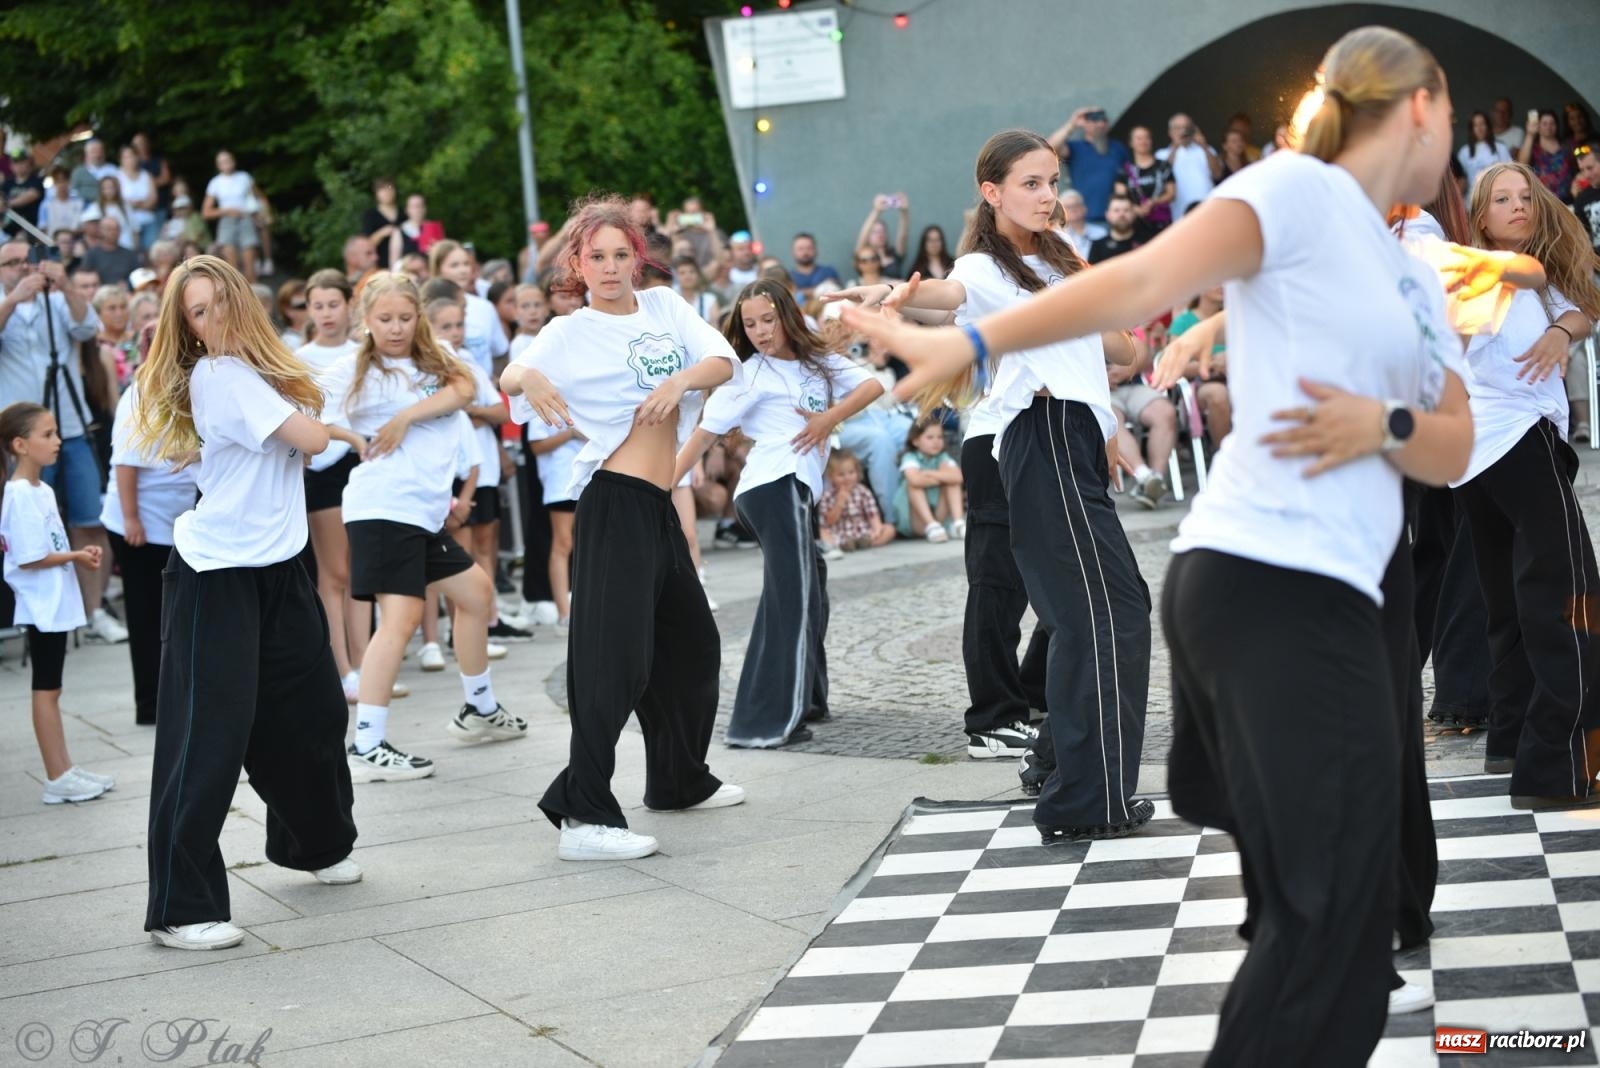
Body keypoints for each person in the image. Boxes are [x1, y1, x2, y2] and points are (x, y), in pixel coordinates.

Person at [843, 27, 1486, 1062]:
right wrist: (963, 341)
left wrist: (1386, 428)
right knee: (1324, 925)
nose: (1457, 141)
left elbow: (1451, 443)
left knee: (1349, 917)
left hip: (1347, 597)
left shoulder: (1410, 268)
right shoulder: (1296, 191)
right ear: (1420, 106)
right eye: (1453, 119)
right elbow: (1140, 282)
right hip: (1265, 582)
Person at [831, 128, 1149, 818]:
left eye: (1053, 181)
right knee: (1103, 614)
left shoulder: (1067, 259)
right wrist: (884, 294)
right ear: (992, 192)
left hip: (1075, 435)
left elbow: (1121, 346)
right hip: (1042, 433)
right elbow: (940, 297)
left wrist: (1081, 346)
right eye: (1031, 183)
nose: (1047, 195)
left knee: (1100, 612)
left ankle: (1062, 770)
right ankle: (1084, 794)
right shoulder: (982, 269)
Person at [501, 192, 746, 863]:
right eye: (595, 256)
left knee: (691, 648)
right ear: (578, 264)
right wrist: (530, 380)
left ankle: (677, 778)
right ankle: (582, 815)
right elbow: (513, 369)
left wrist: (678, 385)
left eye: (620, 255)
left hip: (659, 505)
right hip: (613, 504)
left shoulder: (665, 307)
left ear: (637, 260)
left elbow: (724, 362)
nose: (609, 267)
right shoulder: (569, 330)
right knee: (614, 664)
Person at [133, 255, 360, 952]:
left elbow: (307, 443)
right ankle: (180, 906)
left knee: (313, 713)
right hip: (215, 577)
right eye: (196, 314)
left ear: (241, 304)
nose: (211, 321)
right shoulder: (219, 375)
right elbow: (313, 439)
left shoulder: (258, 373)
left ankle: (314, 844)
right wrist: (333, 428)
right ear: (189, 331)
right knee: (207, 739)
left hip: (278, 568)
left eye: (218, 305)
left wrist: (322, 424)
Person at [321, 272, 526, 783]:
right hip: (383, 507)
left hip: (419, 513)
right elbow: (306, 418)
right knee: (401, 620)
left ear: (419, 318)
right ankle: (366, 743)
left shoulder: (436, 362)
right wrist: (350, 436)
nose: (395, 328)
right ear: (365, 320)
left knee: (477, 595)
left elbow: (465, 390)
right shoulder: (350, 371)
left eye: (405, 318)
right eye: (384, 319)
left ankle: (479, 711)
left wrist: (407, 417)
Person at [675, 280, 882, 748]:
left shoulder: (817, 361)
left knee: (812, 588)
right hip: (774, 485)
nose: (760, 331)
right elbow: (703, 437)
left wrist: (829, 418)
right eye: (750, 324)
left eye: (767, 320)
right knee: (794, 594)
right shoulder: (748, 374)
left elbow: (873, 385)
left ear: (786, 316)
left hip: (795, 488)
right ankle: (765, 721)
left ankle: (807, 698)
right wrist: (659, 484)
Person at [1456, 161, 1600, 808]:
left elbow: (1583, 312)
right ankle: (1558, 768)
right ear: (1479, 215)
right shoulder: (1475, 275)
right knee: (1572, 596)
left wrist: (1558, 330)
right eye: (1501, 199)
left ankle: (1509, 738)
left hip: (1485, 455)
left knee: (1510, 600)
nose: (1518, 206)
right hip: (1514, 442)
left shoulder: (1531, 279)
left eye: (1525, 197)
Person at [0, 241, 126, 645]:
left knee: (90, 522)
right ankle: (39, 620)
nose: (24, 268)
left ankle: (93, 612)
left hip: (68, 427)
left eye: (28, 261)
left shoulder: (56, 303)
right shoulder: (7, 301)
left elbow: (88, 329)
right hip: (22, 437)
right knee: (29, 529)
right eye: (13, 263)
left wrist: (66, 286)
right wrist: (13, 300)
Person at [0, 402, 116, 803]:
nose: (57, 441)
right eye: (46, 434)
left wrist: (75, 555)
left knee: (54, 689)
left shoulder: (42, 490)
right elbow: (28, 556)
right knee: (46, 689)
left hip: (54, 602)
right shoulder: (17, 494)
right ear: (19, 445)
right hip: (40, 605)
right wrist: (77, 557)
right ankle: (56, 777)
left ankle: (64, 767)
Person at [423, 293, 530, 644]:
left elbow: (499, 412)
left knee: (485, 544)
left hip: (480, 467)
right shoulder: (427, 363)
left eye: (459, 325)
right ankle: (454, 632)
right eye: (446, 326)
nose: (454, 333)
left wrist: (468, 412)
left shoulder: (467, 360)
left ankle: (489, 618)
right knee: (458, 550)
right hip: (449, 471)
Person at [103, 348, 197, 726]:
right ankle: (151, 705)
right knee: (145, 617)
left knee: (173, 616)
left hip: (175, 520)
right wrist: (131, 519)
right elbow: (125, 462)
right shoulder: (141, 396)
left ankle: (174, 696)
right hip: (140, 523)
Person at [294, 270, 370, 701]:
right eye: (317, 306)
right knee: (334, 572)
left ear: (349, 306)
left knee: (362, 570)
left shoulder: (365, 353)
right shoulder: (300, 359)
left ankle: (367, 663)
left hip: (362, 466)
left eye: (333, 305)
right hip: (322, 470)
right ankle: (341, 669)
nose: (325, 314)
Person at [429, 240, 508, 375]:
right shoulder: (427, 307)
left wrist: (492, 382)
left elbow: (500, 351)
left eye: (466, 264)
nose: (463, 270)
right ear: (438, 269)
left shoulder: (485, 307)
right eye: (454, 265)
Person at [1047, 106, 1130, 224]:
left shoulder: (1118, 148)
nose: (1100, 124)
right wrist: (1072, 124)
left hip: (1115, 218)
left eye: (1104, 120)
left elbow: (1130, 177)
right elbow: (1050, 148)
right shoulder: (1076, 147)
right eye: (1095, 120)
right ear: (1085, 124)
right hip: (1083, 219)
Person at [893, 415, 964, 542]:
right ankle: (931, 524)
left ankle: (958, 523)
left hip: (939, 516)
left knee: (952, 482)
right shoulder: (910, 457)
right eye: (930, 437)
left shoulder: (942, 458)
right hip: (916, 521)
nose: (936, 442)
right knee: (913, 485)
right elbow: (915, 480)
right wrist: (942, 476)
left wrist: (929, 473)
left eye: (940, 437)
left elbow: (958, 477)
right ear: (915, 441)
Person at [202, 151, 266, 281]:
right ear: (218, 166)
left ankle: (252, 296)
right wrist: (226, 211)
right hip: (227, 222)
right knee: (231, 269)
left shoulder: (244, 177)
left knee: (250, 267)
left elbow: (260, 198)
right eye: (222, 161)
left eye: (228, 160)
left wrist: (264, 215)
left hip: (246, 219)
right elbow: (206, 212)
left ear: (233, 161)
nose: (226, 163)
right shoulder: (215, 182)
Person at [818, 449, 895, 551]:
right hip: (839, 534)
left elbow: (872, 515)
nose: (847, 478)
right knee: (822, 531)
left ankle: (869, 542)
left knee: (890, 529)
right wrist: (839, 503)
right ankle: (841, 546)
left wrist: (877, 530)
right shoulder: (827, 495)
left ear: (857, 472)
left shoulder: (863, 492)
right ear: (831, 477)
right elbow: (828, 522)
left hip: (862, 532)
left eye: (851, 472)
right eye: (841, 475)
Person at [1157, 113, 1223, 220]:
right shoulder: (1162, 154)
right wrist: (1175, 146)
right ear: (1170, 132)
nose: (1183, 131)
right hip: (1180, 213)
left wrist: (1204, 145)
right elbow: (1162, 178)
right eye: (1178, 128)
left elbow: (1217, 174)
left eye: (1187, 128)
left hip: (1208, 209)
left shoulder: (1207, 150)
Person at [1123, 125, 1176, 235]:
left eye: (1146, 137)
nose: (1143, 141)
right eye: (1138, 138)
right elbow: (1120, 196)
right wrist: (1136, 208)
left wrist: (1154, 202)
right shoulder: (1124, 170)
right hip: (1135, 224)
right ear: (1131, 143)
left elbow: (1171, 193)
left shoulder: (1163, 166)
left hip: (1162, 222)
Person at [1517, 109, 1575, 203]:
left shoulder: (1567, 146)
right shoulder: (1533, 149)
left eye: (1552, 123)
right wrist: (1530, 134)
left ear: (1557, 126)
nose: (1549, 127)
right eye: (1544, 123)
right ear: (1538, 126)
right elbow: (1521, 164)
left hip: (1568, 201)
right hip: (1543, 202)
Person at [855, 195, 910, 278]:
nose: (880, 234)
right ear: (868, 237)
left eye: (882, 231)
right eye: (875, 232)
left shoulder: (894, 254)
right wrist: (876, 211)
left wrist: (904, 212)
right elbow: (863, 234)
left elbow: (903, 236)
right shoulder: (864, 257)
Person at [116, 146, 159, 250]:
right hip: (127, 223)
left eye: (131, 156)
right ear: (121, 160)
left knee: (151, 251)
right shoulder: (117, 177)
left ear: (137, 157)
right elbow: (117, 200)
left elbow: (153, 200)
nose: (129, 160)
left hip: (148, 221)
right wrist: (142, 203)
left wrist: (135, 205)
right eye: (126, 157)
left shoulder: (146, 175)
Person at [1458, 110, 1512, 193]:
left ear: (1488, 126)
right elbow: (1459, 180)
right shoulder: (1464, 152)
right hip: (1472, 201)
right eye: (1475, 125)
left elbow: (1510, 173)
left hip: (1497, 197)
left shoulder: (1500, 148)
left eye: (1482, 124)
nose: (1479, 128)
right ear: (1471, 129)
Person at [1088, 193, 1143, 263]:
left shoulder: (1149, 242)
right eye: (1116, 210)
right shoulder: (1097, 246)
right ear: (1107, 215)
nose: (1122, 214)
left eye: (1126, 210)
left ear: (1134, 214)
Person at [789, 233, 841, 302]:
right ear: (793, 252)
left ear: (816, 250)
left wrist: (801, 292)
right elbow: (790, 296)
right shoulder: (789, 277)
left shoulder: (828, 272)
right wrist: (819, 290)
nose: (805, 252)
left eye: (809, 248)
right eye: (800, 249)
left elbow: (835, 292)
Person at [363, 178, 402, 269]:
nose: (387, 192)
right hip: (379, 265)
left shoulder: (404, 213)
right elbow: (366, 244)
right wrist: (382, 233)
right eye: (382, 189)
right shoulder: (370, 216)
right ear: (376, 194)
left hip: (403, 264)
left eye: (389, 188)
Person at [1056, 189, 1104, 261]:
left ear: (1084, 208)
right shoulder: (1059, 237)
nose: (1073, 209)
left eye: (1076, 205)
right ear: (1062, 212)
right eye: (1068, 207)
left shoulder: (1100, 232)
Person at [37, 165, 83, 236]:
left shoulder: (79, 203)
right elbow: (43, 228)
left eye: (64, 181)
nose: (61, 185)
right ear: (54, 183)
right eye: (58, 181)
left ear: (69, 182)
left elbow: (83, 228)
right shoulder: (46, 205)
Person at [673, 256, 721, 324]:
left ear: (698, 275)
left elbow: (716, 329)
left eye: (691, 272)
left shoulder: (710, 300)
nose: (687, 276)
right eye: (682, 273)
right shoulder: (671, 300)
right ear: (676, 277)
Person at [68, 140, 116, 204]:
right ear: (87, 154)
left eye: (100, 151)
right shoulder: (78, 172)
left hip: (109, 206)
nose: (97, 155)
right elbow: (73, 192)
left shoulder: (113, 170)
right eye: (94, 152)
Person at [4, 154, 44, 230]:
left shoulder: (36, 180)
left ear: (28, 163)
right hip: (9, 226)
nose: (19, 165)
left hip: (30, 228)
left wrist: (7, 203)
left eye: (22, 162)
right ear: (11, 166)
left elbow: (31, 195)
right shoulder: (8, 182)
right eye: (16, 163)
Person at [276, 279, 309, 350]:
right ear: (288, 311)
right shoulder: (287, 343)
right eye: (303, 306)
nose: (310, 309)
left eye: (316, 304)